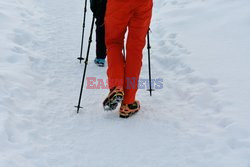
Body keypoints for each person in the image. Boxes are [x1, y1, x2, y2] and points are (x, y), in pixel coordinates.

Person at [103, 0, 153, 118]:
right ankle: (128, 103)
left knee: (113, 43)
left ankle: (116, 86)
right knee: (135, 49)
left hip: (117, 3)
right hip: (143, 4)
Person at [90, 0, 107, 67]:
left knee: (101, 31)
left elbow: (93, 5)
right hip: (115, 9)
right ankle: (116, 57)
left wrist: (95, 12)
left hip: (100, 10)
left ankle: (100, 58)